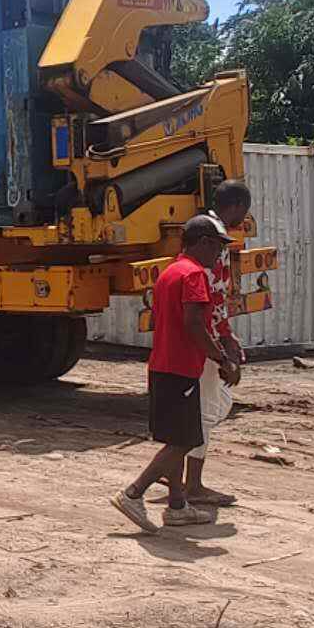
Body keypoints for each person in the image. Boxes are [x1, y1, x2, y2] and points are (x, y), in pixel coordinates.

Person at [111, 216, 240, 533]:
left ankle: (178, 506)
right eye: (218, 248)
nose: (219, 255)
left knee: (178, 437)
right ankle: (133, 493)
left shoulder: (171, 271)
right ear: (204, 243)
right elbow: (194, 324)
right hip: (181, 368)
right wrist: (222, 359)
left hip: (163, 365)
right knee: (184, 441)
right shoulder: (194, 275)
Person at [179, 181, 253, 509]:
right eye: (245, 211)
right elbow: (212, 297)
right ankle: (191, 484)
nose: (244, 218)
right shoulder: (214, 239)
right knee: (208, 411)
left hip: (205, 335)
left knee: (214, 405)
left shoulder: (203, 232)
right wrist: (222, 342)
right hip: (205, 339)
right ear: (236, 206)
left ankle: (175, 472)